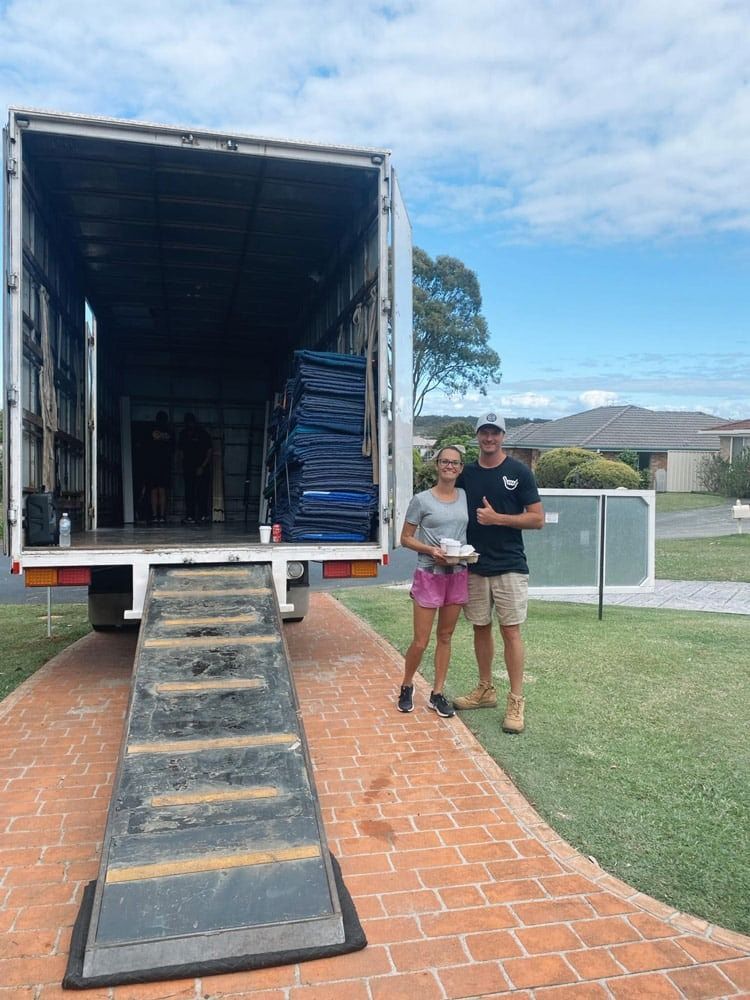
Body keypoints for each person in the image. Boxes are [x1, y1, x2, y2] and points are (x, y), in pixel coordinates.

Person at [453, 413, 544, 733]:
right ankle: (485, 689)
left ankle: (516, 700)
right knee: (480, 627)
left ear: (503, 436)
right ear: (477, 436)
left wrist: (498, 519)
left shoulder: (519, 472)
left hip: (510, 565)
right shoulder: (467, 474)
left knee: (511, 632)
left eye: (495, 433)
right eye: (484, 433)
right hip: (475, 564)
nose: (489, 438)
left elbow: (537, 519)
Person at [397, 446, 469, 719]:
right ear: (437, 465)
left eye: (455, 463)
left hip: (458, 573)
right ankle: (406, 685)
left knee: (446, 636)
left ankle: (437, 693)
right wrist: (430, 550)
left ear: (461, 468)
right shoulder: (421, 500)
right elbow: (405, 538)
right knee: (421, 640)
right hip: (429, 574)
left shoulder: (464, 496)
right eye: (444, 462)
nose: (449, 466)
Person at [178, 413, 213, 523]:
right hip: (188, 467)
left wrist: (202, 466)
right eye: (188, 423)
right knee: (189, 493)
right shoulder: (183, 434)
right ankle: (190, 516)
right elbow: (180, 451)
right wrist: (182, 464)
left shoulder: (203, 434)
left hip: (201, 467)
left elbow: (209, 451)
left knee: (202, 492)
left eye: (191, 422)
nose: (190, 425)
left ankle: (203, 515)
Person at [146, 411, 173, 524]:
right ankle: (161, 516)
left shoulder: (152, 429)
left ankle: (155, 515)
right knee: (161, 490)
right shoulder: (169, 431)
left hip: (153, 463)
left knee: (154, 490)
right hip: (164, 464)